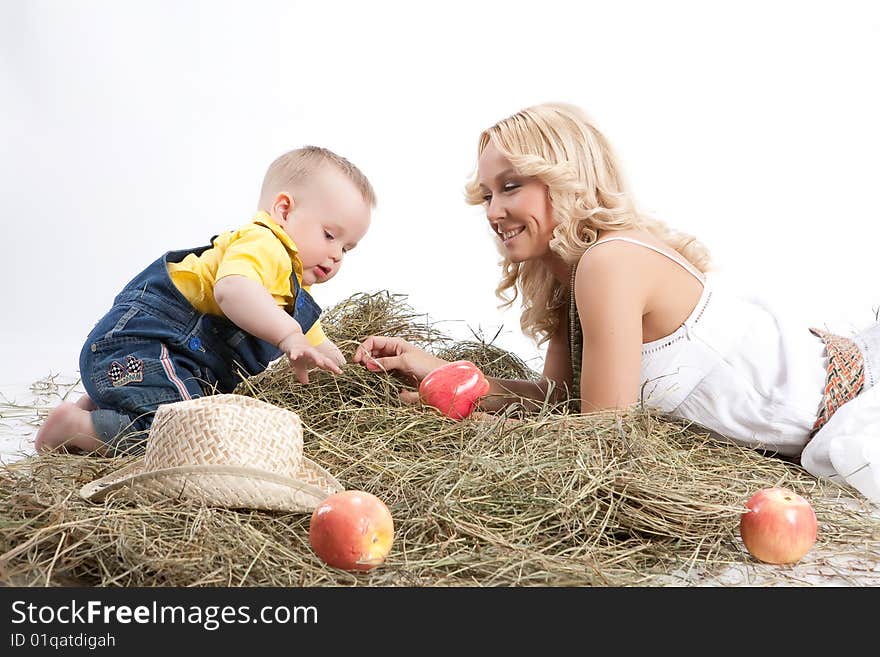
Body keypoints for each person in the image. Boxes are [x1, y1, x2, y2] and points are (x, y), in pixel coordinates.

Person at [353, 102, 880, 504]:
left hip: (856, 405)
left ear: (566, 179)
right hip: (812, 425)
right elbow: (561, 401)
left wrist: (469, 419)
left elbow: (600, 434)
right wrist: (438, 372)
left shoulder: (610, 262)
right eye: (486, 194)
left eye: (510, 186)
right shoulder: (571, 282)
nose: (494, 211)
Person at [36, 145, 375, 456]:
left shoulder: (295, 292)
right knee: (187, 433)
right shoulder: (263, 243)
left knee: (186, 415)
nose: (336, 255)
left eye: (346, 248)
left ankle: (102, 412)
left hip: (168, 362)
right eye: (330, 235)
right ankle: (75, 429)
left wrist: (351, 372)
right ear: (283, 210)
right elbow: (234, 290)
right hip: (143, 344)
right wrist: (289, 336)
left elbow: (320, 348)